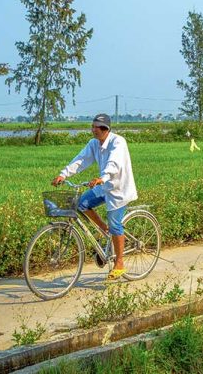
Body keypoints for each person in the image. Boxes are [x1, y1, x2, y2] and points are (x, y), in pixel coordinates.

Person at [52, 114, 137, 281]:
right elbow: (81, 160)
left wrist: (102, 177)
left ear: (105, 129)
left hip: (119, 189)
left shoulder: (118, 142)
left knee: (115, 224)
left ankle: (119, 263)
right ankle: (107, 232)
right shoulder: (93, 144)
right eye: (92, 127)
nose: (93, 130)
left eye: (96, 127)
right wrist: (63, 175)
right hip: (103, 187)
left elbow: (114, 163)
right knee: (81, 204)